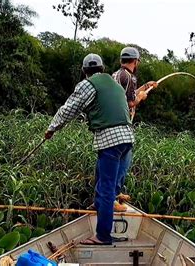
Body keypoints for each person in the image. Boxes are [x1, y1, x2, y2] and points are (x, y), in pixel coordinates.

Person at [45, 53, 134, 245]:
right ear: (102, 68)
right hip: (127, 139)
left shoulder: (88, 84)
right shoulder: (114, 84)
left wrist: (52, 128)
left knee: (107, 187)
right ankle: (98, 205)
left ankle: (103, 236)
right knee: (102, 174)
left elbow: (69, 109)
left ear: (85, 71)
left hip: (110, 140)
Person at [110, 47, 157, 211]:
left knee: (118, 160)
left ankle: (114, 194)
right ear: (135, 61)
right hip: (123, 126)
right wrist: (141, 97)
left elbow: (127, 94)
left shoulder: (116, 75)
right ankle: (112, 196)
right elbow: (130, 102)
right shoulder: (130, 76)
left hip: (113, 123)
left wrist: (145, 87)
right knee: (123, 160)